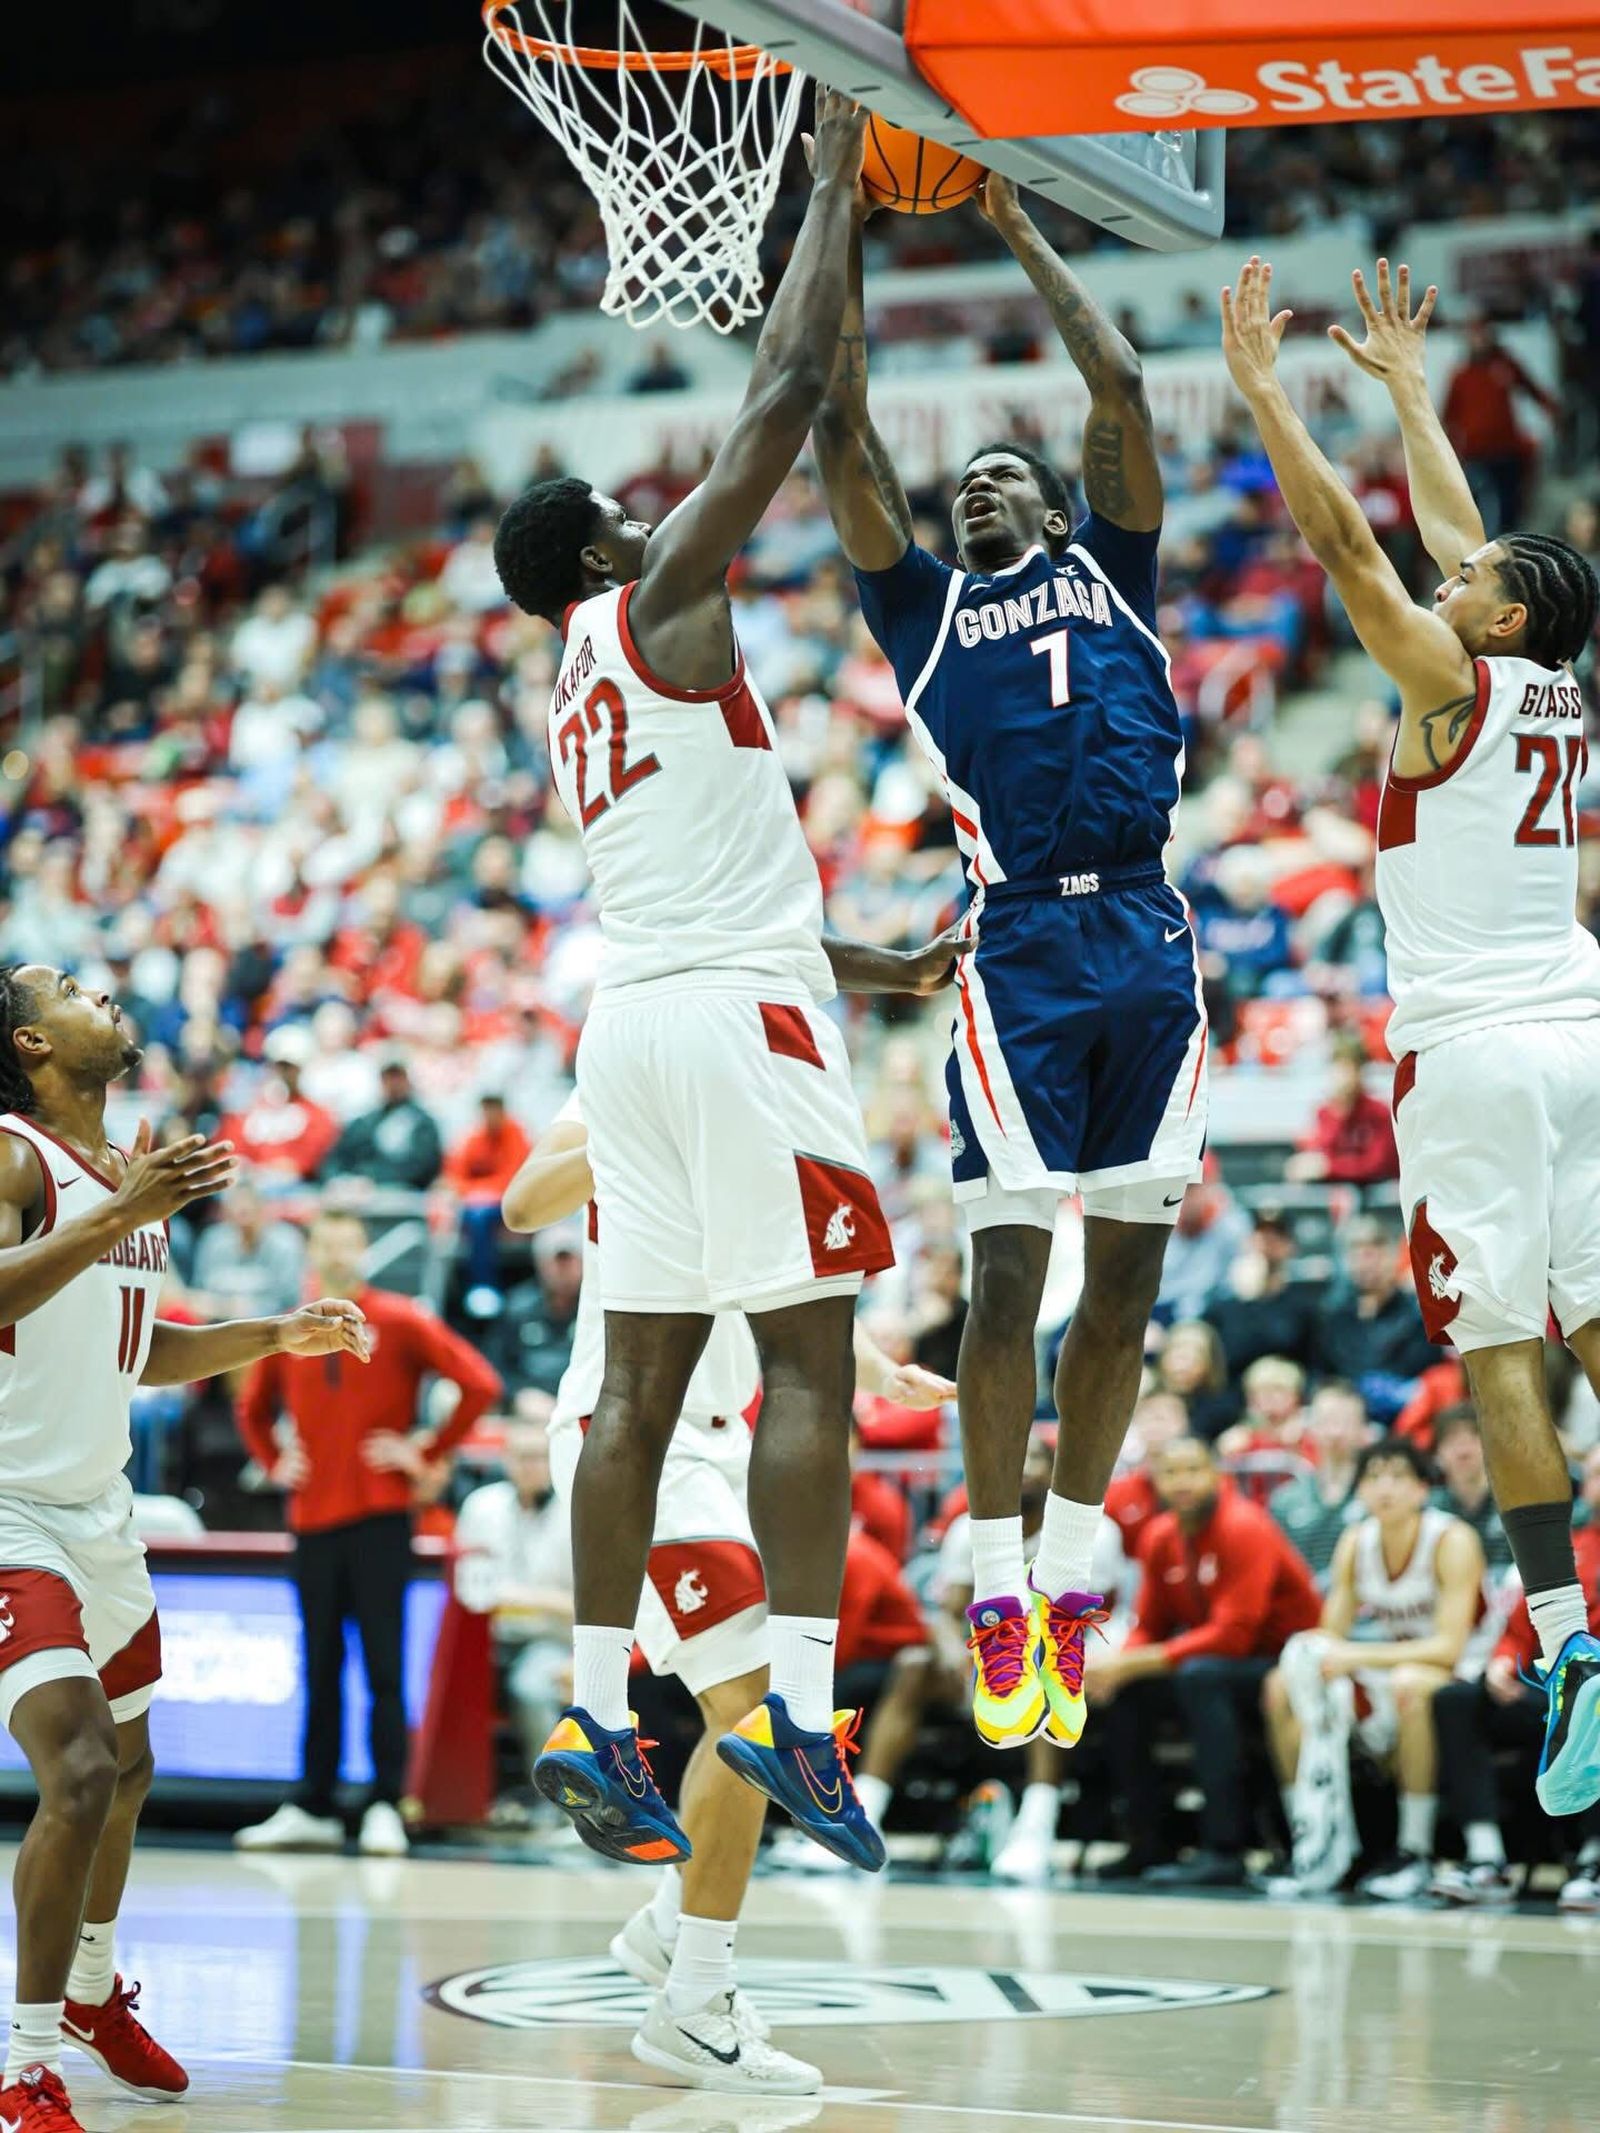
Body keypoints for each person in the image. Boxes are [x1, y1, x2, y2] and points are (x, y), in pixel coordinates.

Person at [491, 93, 906, 1883]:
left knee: (637, 1383)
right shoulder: (656, 598)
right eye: (622, 507)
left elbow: (720, 877)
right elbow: (793, 394)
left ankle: (591, 1708)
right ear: (601, 551)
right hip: (733, 1020)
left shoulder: (574, 669)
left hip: (638, 1018)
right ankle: (798, 1713)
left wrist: (870, 957)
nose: (652, 509)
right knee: (807, 1351)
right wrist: (828, 185)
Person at [813, 163, 1205, 1758]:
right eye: (958, 481)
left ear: (1051, 504)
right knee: (1005, 1280)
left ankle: (1073, 1565)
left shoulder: (1118, 563)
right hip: (1020, 942)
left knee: (1124, 1288)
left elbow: (1114, 383)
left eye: (997, 476)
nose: (971, 489)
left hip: (1152, 937)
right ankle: (993, 1579)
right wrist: (840, 223)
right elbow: (841, 433)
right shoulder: (917, 613)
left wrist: (1010, 221)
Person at [1225, 252, 1600, 1813]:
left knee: (1498, 1347)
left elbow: (1352, 547)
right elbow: (1463, 538)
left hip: (1476, 1044)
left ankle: (1573, 1642)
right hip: (1582, 1030)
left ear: (1503, 614)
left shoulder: (1448, 676)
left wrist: (1269, 393)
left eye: (1474, 581)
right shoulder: (1551, 683)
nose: (1453, 576)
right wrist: (1399, 391)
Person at [503, 1079, 949, 2095]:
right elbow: (525, 1204)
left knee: (749, 1714)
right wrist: (635, 1119)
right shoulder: (620, 1083)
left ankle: (675, 1939)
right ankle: (692, 1998)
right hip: (631, 1443)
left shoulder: (764, 1105)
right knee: (753, 1709)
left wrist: (875, 1369)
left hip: (718, 1446)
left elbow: (774, 1295)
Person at [0, 963, 370, 2133]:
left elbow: (133, 1354)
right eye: (64, 989)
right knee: (80, 1773)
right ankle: (20, 2064)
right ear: (31, 1046)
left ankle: (95, 1998)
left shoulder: (122, 1175)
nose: (97, 992)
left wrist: (273, 1333)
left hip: (101, 1513)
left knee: (136, 1771)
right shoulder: (13, 1157)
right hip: (9, 1513)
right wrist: (123, 1214)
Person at [233, 1206, 502, 1859]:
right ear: (314, 1253)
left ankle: (386, 1800)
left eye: (348, 1242)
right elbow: (249, 1405)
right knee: (320, 1664)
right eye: (327, 1242)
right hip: (313, 1519)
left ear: (363, 1250)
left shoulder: (399, 1318)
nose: (338, 1253)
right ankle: (315, 1803)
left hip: (381, 1516)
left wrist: (427, 1450)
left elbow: (478, 1381)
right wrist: (275, 1461)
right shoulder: (293, 1326)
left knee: (384, 1665)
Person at [1089, 1437, 1321, 1887]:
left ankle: (1225, 1848)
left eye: (1193, 1470)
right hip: (1218, 1665)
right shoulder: (1160, 1534)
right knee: (1129, 1693)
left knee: (1200, 1678)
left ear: (1216, 1475)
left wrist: (1130, 1663)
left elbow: (1234, 1638)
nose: (1182, 1483)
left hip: (1282, 1661)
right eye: (1171, 1472)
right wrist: (1118, 1665)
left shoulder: (1243, 1526)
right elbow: (1148, 1625)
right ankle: (1146, 1841)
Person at [1265, 1437, 1486, 1901]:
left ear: (1423, 1489)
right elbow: (1331, 1635)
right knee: (1281, 1686)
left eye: (1398, 1477)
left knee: (1411, 1685)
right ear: (1360, 1490)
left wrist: (1355, 1657)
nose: (1385, 1488)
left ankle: (1416, 1850)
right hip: (1389, 1660)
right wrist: (1313, 1656)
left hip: (1467, 1667)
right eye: (1374, 1477)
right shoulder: (1356, 1540)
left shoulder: (1452, 1539)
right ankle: (1308, 1841)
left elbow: (1449, 1648)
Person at [1432, 1445, 1600, 1908]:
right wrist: (1503, 1661)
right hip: (1547, 1690)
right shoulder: (1567, 1547)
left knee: (1596, 1702)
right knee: (1456, 1700)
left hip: (1593, 1691)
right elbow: (1520, 1624)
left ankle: (1595, 1858)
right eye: (1595, 1475)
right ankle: (1486, 1857)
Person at [451, 1396, 573, 1797]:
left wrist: (528, 1598)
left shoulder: (575, 1512)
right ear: (504, 1459)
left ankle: (559, 1804)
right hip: (487, 1638)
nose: (529, 1466)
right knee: (444, 1684)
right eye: (521, 1456)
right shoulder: (481, 1506)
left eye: (539, 1457)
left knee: (531, 1688)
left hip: (552, 1639)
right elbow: (461, 1584)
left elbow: (589, 1609)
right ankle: (455, 1798)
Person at [1269, 1383, 1373, 1584]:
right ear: (1310, 1427)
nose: (1335, 1432)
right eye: (1326, 1421)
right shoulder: (1285, 1500)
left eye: (1346, 1422)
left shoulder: (1380, 1497)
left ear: (1363, 1429)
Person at [1284, 1032, 1399, 1186]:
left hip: (1375, 1193)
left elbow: (1377, 1166)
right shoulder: (1326, 1112)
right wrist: (1339, 1113)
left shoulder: (1379, 1112)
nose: (1343, 1076)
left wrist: (1330, 1167)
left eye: (1348, 1069)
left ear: (1360, 1072)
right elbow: (1321, 1154)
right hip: (1335, 1192)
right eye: (1338, 1068)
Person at [330, 1056, 443, 1193]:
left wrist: (372, 1179)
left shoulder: (422, 1124)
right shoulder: (365, 1122)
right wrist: (339, 1179)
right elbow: (337, 1157)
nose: (393, 1084)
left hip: (401, 1192)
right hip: (355, 1190)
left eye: (398, 1077)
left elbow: (422, 1167)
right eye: (387, 1078)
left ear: (408, 1081)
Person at [1430, 1404, 1513, 1572]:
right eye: (1452, 1440)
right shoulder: (1428, 1509)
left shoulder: (1517, 1500)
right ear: (1437, 1453)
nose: (1463, 1450)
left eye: (1473, 1437)